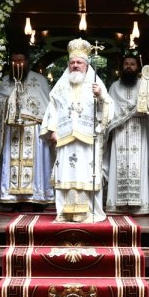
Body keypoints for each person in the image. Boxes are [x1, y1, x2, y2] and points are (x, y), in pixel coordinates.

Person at [41, 38, 113, 223]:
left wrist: (101, 96)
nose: (75, 66)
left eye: (79, 62)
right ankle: (65, 212)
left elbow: (109, 108)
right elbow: (53, 108)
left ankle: (90, 213)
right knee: (66, 173)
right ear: (68, 64)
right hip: (65, 138)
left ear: (86, 64)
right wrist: (52, 130)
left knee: (86, 173)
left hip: (88, 138)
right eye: (72, 62)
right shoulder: (61, 85)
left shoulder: (96, 83)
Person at [0, 50, 54, 206]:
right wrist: (10, 102)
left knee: (35, 166)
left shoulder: (39, 80)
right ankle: (11, 200)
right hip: (12, 131)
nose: (18, 64)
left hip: (34, 131)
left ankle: (37, 199)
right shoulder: (4, 82)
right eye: (15, 61)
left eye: (21, 61)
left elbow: (48, 107)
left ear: (27, 62)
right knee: (11, 163)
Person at [104, 53, 149, 214]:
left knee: (141, 164)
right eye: (126, 64)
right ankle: (117, 204)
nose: (129, 66)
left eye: (132, 64)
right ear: (122, 67)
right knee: (119, 164)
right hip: (119, 131)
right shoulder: (114, 87)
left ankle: (141, 204)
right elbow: (109, 109)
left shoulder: (145, 85)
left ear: (138, 67)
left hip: (140, 129)